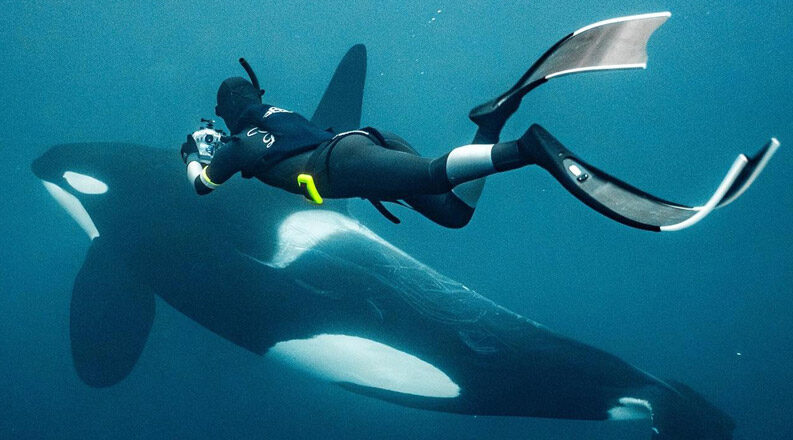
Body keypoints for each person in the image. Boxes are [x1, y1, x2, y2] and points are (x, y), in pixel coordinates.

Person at [182, 12, 777, 232]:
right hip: (361, 146)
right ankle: (492, 122)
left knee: (434, 176)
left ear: (228, 115)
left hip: (346, 165)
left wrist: (194, 152)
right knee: (454, 214)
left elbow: (203, 186)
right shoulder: (280, 116)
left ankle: (528, 148)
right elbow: (314, 130)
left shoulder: (240, 143)